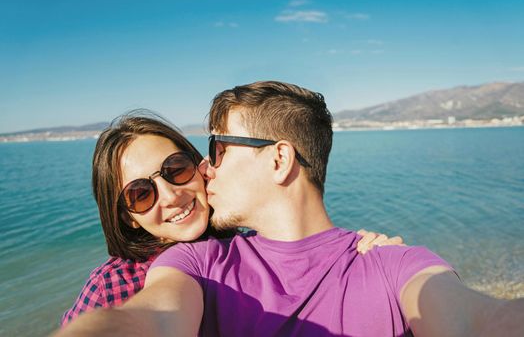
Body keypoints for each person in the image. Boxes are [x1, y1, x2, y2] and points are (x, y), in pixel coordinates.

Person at [55, 81, 524, 337]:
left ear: (279, 159)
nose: (203, 171)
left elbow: (477, 320)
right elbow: (149, 319)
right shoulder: (193, 265)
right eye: (139, 194)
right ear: (126, 216)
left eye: (210, 153)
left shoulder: (393, 263)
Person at [60, 110, 402, 326]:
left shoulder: (250, 247)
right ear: (128, 217)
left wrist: (365, 256)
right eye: (140, 193)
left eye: (175, 169)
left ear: (199, 166)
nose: (171, 195)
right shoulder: (113, 285)